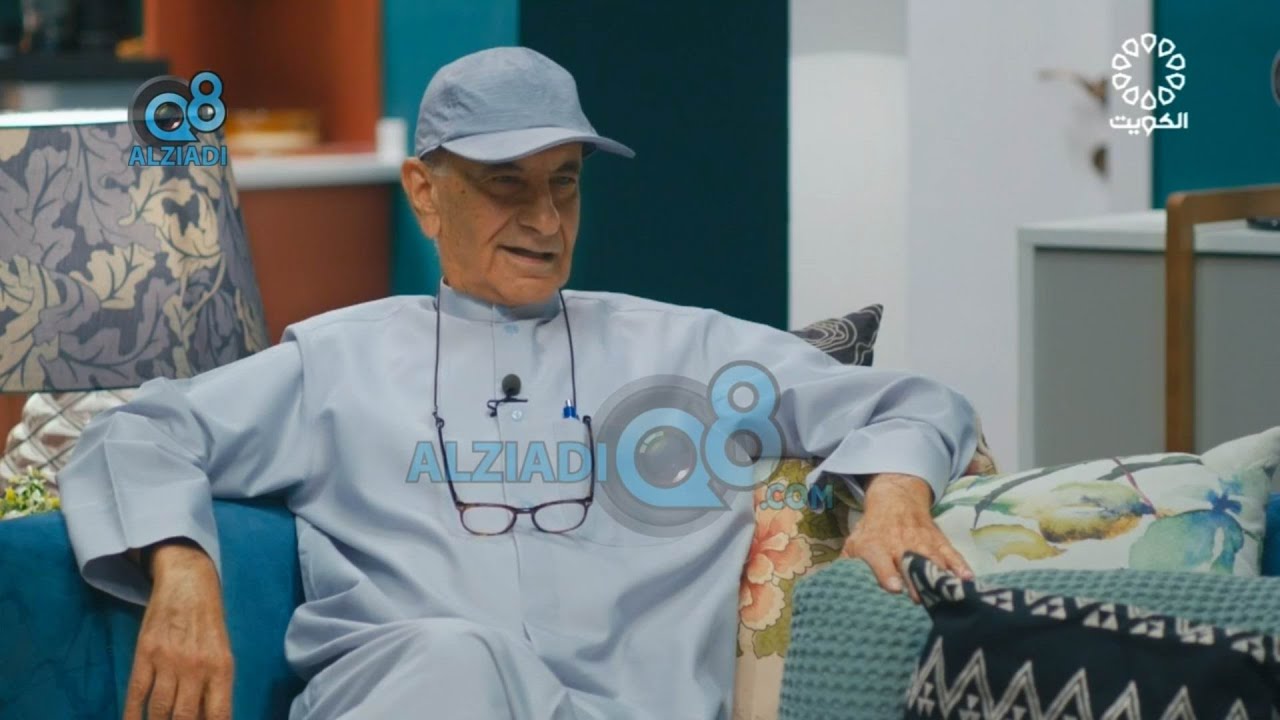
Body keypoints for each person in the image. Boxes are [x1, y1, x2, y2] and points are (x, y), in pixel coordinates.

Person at [58, 46, 979, 720]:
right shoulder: (336, 362)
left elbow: (914, 400)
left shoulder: (688, 351)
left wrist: (895, 499)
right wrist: (183, 568)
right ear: (425, 192)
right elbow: (137, 432)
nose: (545, 219)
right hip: (413, 696)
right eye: (507, 184)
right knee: (457, 658)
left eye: (564, 184)